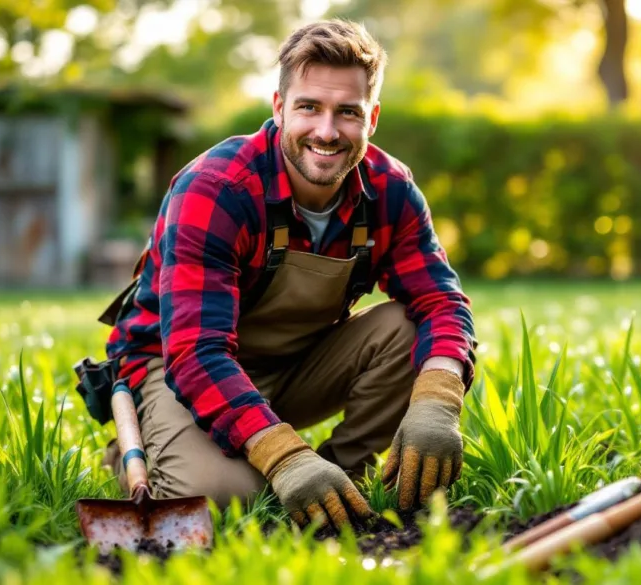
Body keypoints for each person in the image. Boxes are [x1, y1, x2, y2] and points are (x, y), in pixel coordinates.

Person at [90, 19, 477, 530]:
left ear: (372, 119)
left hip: (294, 363)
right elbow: (194, 353)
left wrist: (438, 400)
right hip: (178, 368)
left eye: (348, 113)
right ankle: (140, 445)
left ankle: (341, 478)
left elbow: (442, 304)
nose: (326, 131)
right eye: (309, 107)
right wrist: (283, 456)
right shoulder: (217, 190)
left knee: (410, 332)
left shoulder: (391, 191)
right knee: (228, 499)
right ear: (278, 109)